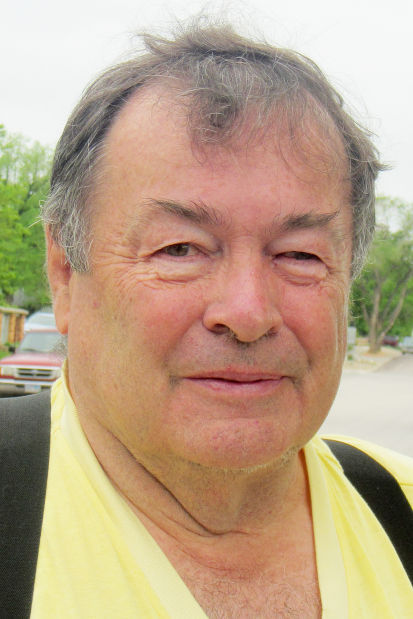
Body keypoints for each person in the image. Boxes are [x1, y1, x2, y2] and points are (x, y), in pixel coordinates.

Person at [10, 21, 413, 617]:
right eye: (180, 249)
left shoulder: (400, 512)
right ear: (65, 272)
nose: (248, 313)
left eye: (299, 255)